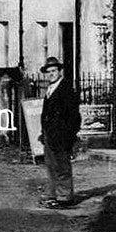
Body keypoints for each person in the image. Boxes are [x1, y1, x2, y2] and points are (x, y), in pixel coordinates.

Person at [38, 56, 81, 208]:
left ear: (59, 71)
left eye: (54, 71)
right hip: (49, 135)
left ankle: (65, 197)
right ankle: (53, 194)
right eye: (48, 72)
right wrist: (43, 133)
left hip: (62, 135)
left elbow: (74, 116)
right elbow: (46, 114)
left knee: (62, 166)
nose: (51, 74)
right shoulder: (50, 89)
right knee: (51, 165)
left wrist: (69, 135)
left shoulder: (66, 89)